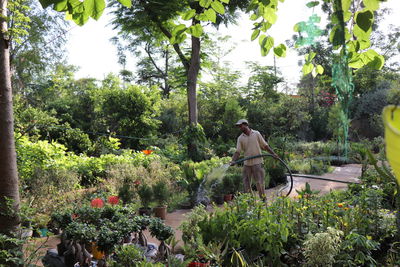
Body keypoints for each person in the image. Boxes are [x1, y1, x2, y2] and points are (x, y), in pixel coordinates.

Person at [230, 119, 279, 200]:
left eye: (240, 125)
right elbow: (237, 151)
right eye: (238, 126)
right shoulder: (240, 138)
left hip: (257, 162)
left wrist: (273, 153)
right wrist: (233, 160)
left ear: (246, 125)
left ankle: (263, 200)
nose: (239, 127)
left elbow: (265, 145)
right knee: (246, 184)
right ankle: (250, 201)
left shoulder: (256, 134)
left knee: (260, 183)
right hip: (247, 164)